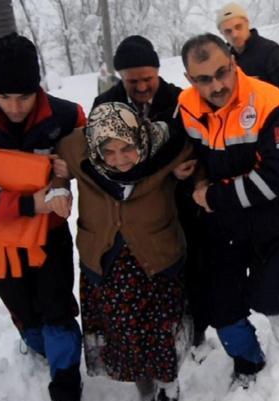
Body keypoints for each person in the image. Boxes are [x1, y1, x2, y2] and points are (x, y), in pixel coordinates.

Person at [177, 33, 279, 387]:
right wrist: (187, 168)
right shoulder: (186, 105)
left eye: (223, 72)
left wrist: (212, 195)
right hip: (227, 223)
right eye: (204, 79)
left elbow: (276, 180)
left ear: (234, 62)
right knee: (221, 305)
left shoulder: (273, 104)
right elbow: (188, 152)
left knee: (267, 294)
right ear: (190, 80)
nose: (217, 85)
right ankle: (248, 362)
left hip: (276, 216)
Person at [56, 102, 193, 401]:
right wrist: (57, 187)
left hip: (156, 258)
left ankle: (169, 382)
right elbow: (56, 165)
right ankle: (144, 390)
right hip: (106, 263)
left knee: (160, 331)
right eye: (109, 152)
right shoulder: (75, 147)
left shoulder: (166, 147)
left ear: (139, 138)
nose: (119, 160)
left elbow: (198, 158)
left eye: (127, 148)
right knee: (125, 335)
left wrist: (192, 176)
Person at [0, 33, 84, 401]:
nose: (16, 107)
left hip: (49, 237)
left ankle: (67, 392)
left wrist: (67, 173)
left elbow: (92, 163)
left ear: (37, 84)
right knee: (24, 311)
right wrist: (28, 202)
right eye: (6, 98)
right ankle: (36, 343)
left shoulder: (67, 116)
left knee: (57, 311)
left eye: (24, 96)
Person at [92, 35, 211, 353]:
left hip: (184, 201)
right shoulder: (105, 105)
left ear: (158, 71)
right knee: (153, 274)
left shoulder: (180, 99)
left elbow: (200, 146)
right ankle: (158, 335)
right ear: (121, 77)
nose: (142, 86)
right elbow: (103, 162)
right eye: (133, 81)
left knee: (194, 266)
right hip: (137, 208)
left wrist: (195, 176)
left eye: (148, 78)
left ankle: (197, 329)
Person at [215, 3, 279, 110]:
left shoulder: (271, 53)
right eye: (228, 31)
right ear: (221, 33)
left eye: (238, 27)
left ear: (247, 23)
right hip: (238, 123)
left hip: (271, 120)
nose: (235, 34)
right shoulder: (224, 60)